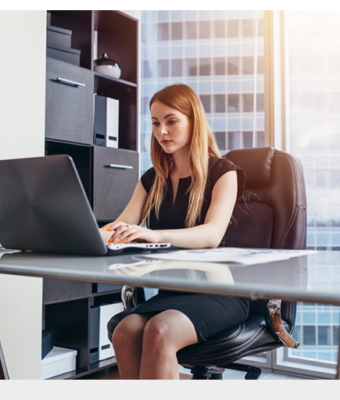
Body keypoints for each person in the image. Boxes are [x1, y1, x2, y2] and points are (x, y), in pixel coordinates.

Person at [99, 83, 248, 379]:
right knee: (125, 331)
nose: (161, 131)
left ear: (194, 121)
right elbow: (118, 227)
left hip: (220, 292)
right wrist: (83, 233)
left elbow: (211, 235)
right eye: (155, 123)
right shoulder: (153, 179)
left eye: (171, 121)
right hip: (172, 291)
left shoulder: (224, 172)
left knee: (160, 330)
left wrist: (157, 234)